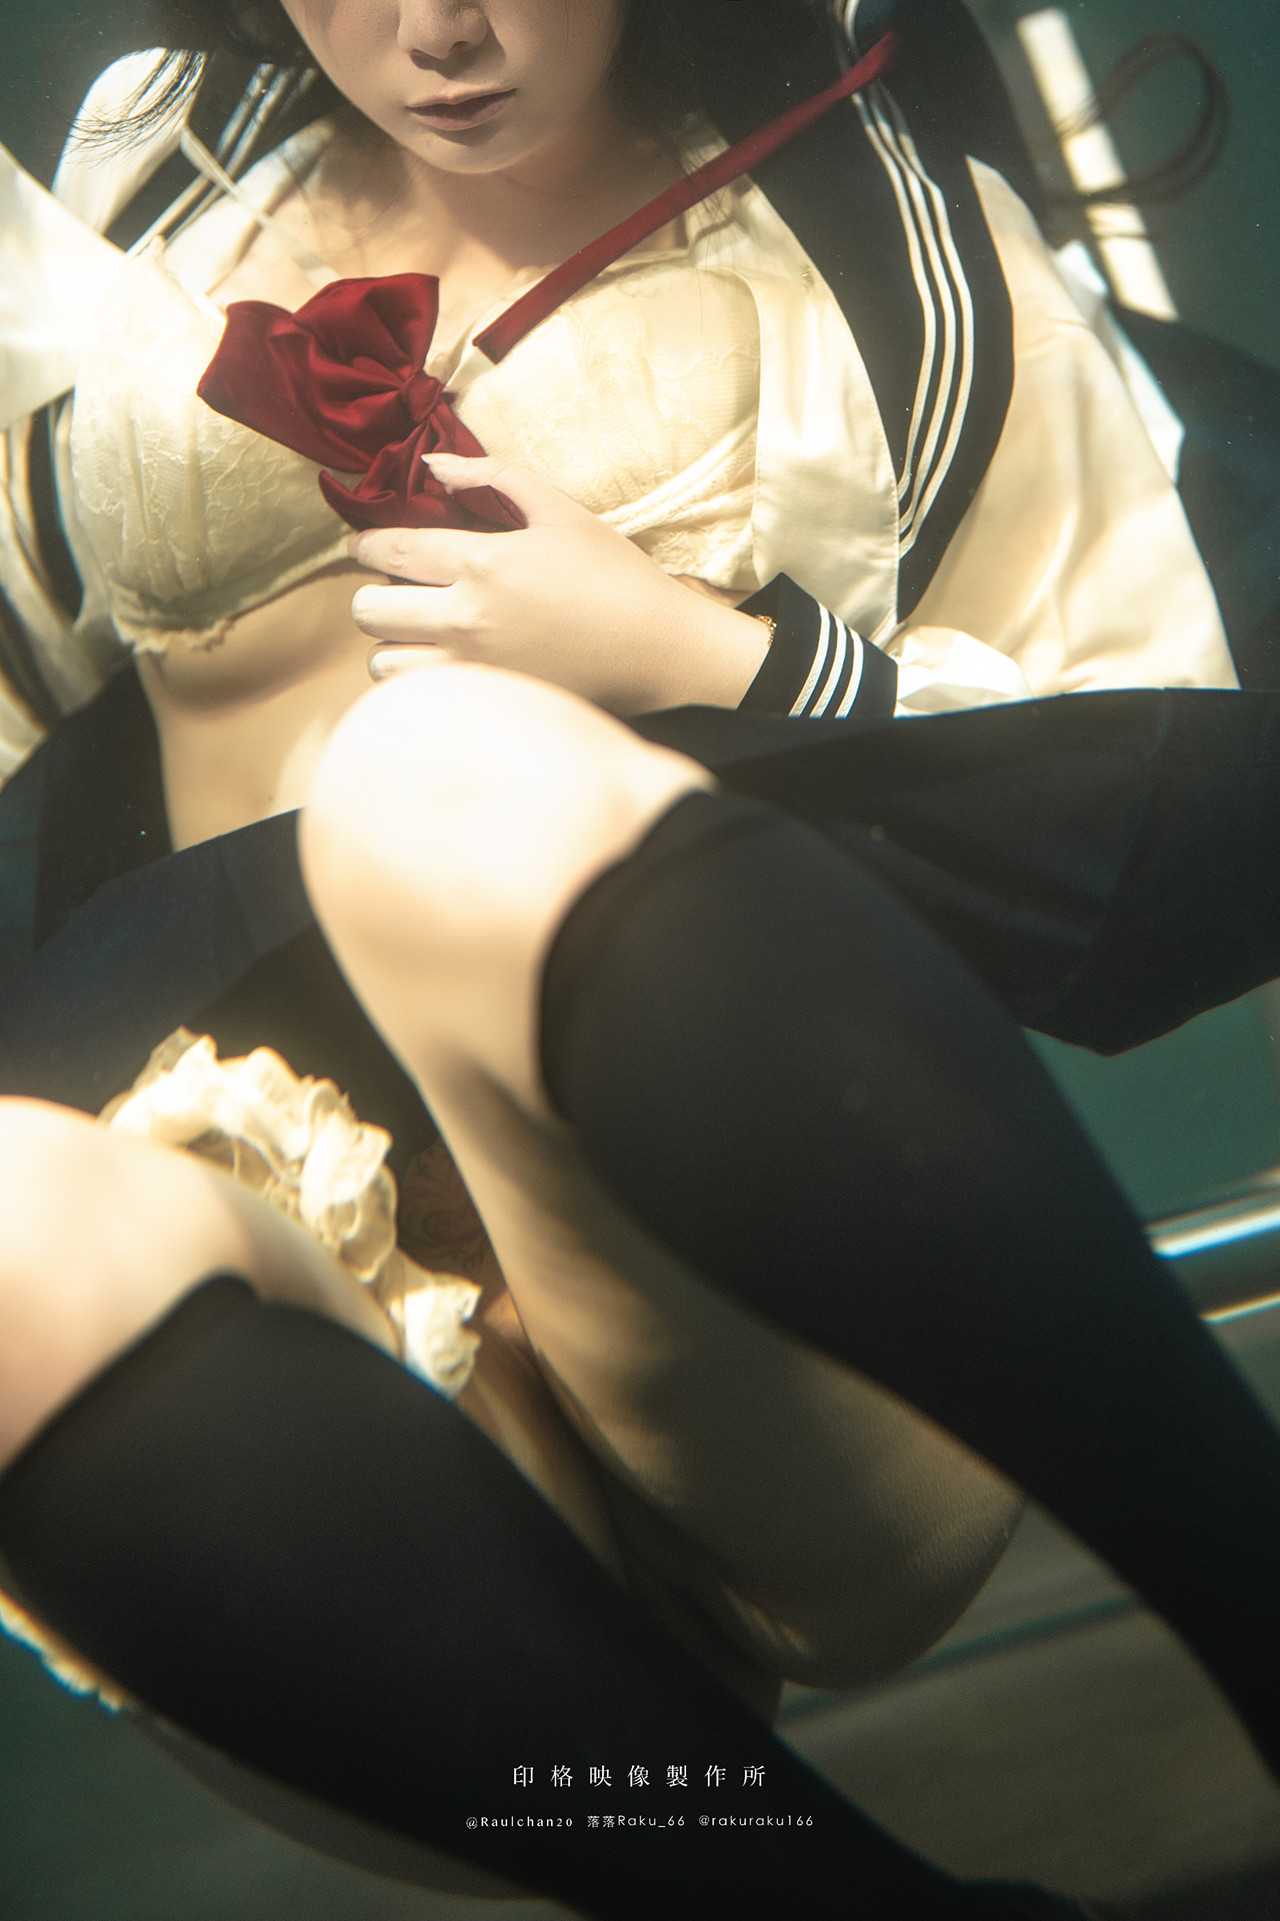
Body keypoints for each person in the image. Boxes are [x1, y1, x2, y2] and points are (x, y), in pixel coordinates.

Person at [0, 3, 1276, 1916]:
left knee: (433, 779)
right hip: (301, 1364)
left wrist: (706, 654)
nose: (438, 29)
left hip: (764, 1300)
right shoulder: (159, 166)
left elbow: (1157, 769)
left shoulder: (878, 237)